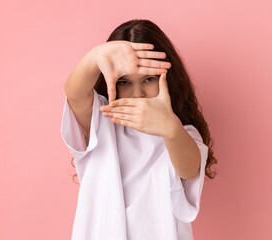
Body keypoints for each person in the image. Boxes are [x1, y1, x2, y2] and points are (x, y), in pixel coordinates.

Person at [61, 19, 217, 240]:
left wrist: (169, 127)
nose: (138, 94)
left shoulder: (180, 133)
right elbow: (74, 93)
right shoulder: (102, 120)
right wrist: (97, 56)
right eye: (125, 82)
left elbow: (190, 170)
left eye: (148, 79)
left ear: (168, 79)